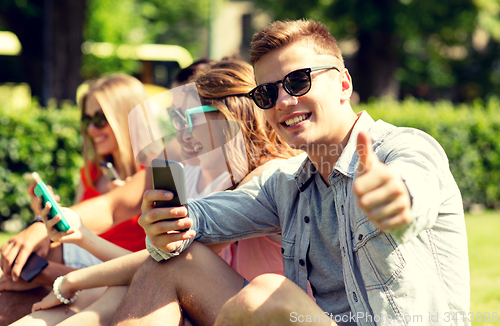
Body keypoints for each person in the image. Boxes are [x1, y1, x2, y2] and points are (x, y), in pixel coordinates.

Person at [113, 19, 470, 326]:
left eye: (298, 81)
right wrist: (166, 221)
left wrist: (394, 200)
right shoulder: (286, 184)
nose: (284, 101)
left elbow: (412, 189)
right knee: (171, 263)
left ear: (343, 84)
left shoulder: (403, 148)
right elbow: (201, 218)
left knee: (268, 293)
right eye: (267, 93)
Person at [10, 59, 298, 326]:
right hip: (210, 296)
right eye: (176, 120)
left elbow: (169, 258)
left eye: (190, 119)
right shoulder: (209, 172)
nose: (182, 134)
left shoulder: (266, 178)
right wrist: (64, 236)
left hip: (261, 310)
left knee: (153, 273)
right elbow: (139, 234)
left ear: (230, 118)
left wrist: (69, 278)